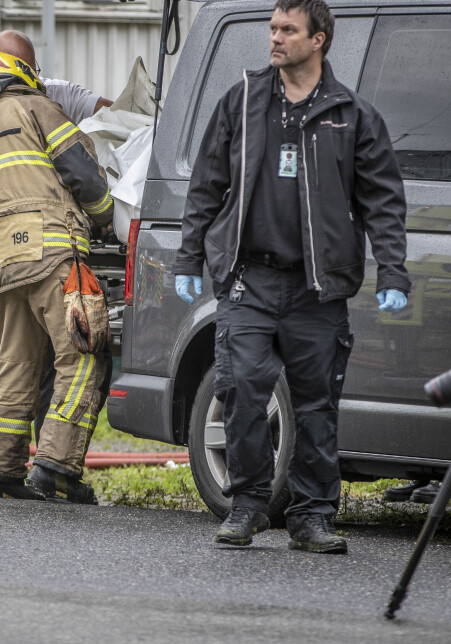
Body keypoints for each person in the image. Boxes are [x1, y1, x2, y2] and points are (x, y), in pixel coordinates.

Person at [173, 0, 410, 553]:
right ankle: (249, 505)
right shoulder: (244, 101)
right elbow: (206, 186)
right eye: (272, 28)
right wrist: (189, 258)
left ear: (319, 39)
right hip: (249, 281)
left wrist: (394, 272)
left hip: (316, 289)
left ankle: (311, 517)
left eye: (288, 30)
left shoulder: (352, 116)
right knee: (241, 389)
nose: (275, 38)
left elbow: (383, 203)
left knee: (315, 405)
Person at [0, 29, 113, 494]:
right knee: (83, 355)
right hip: (52, 251)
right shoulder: (39, 108)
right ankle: (55, 464)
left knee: (16, 363)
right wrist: (108, 220)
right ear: (25, 74)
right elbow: (83, 175)